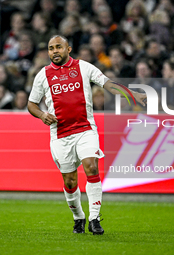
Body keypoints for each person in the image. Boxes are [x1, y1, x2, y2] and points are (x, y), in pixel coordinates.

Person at [27, 35, 146, 235]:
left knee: (91, 166)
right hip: (60, 134)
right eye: (50, 48)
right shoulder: (43, 74)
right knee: (70, 182)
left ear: (68, 49)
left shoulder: (84, 67)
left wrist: (133, 94)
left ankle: (95, 218)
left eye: (58, 47)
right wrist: (41, 115)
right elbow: (31, 103)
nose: (54, 51)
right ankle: (78, 217)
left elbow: (108, 84)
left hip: (85, 129)